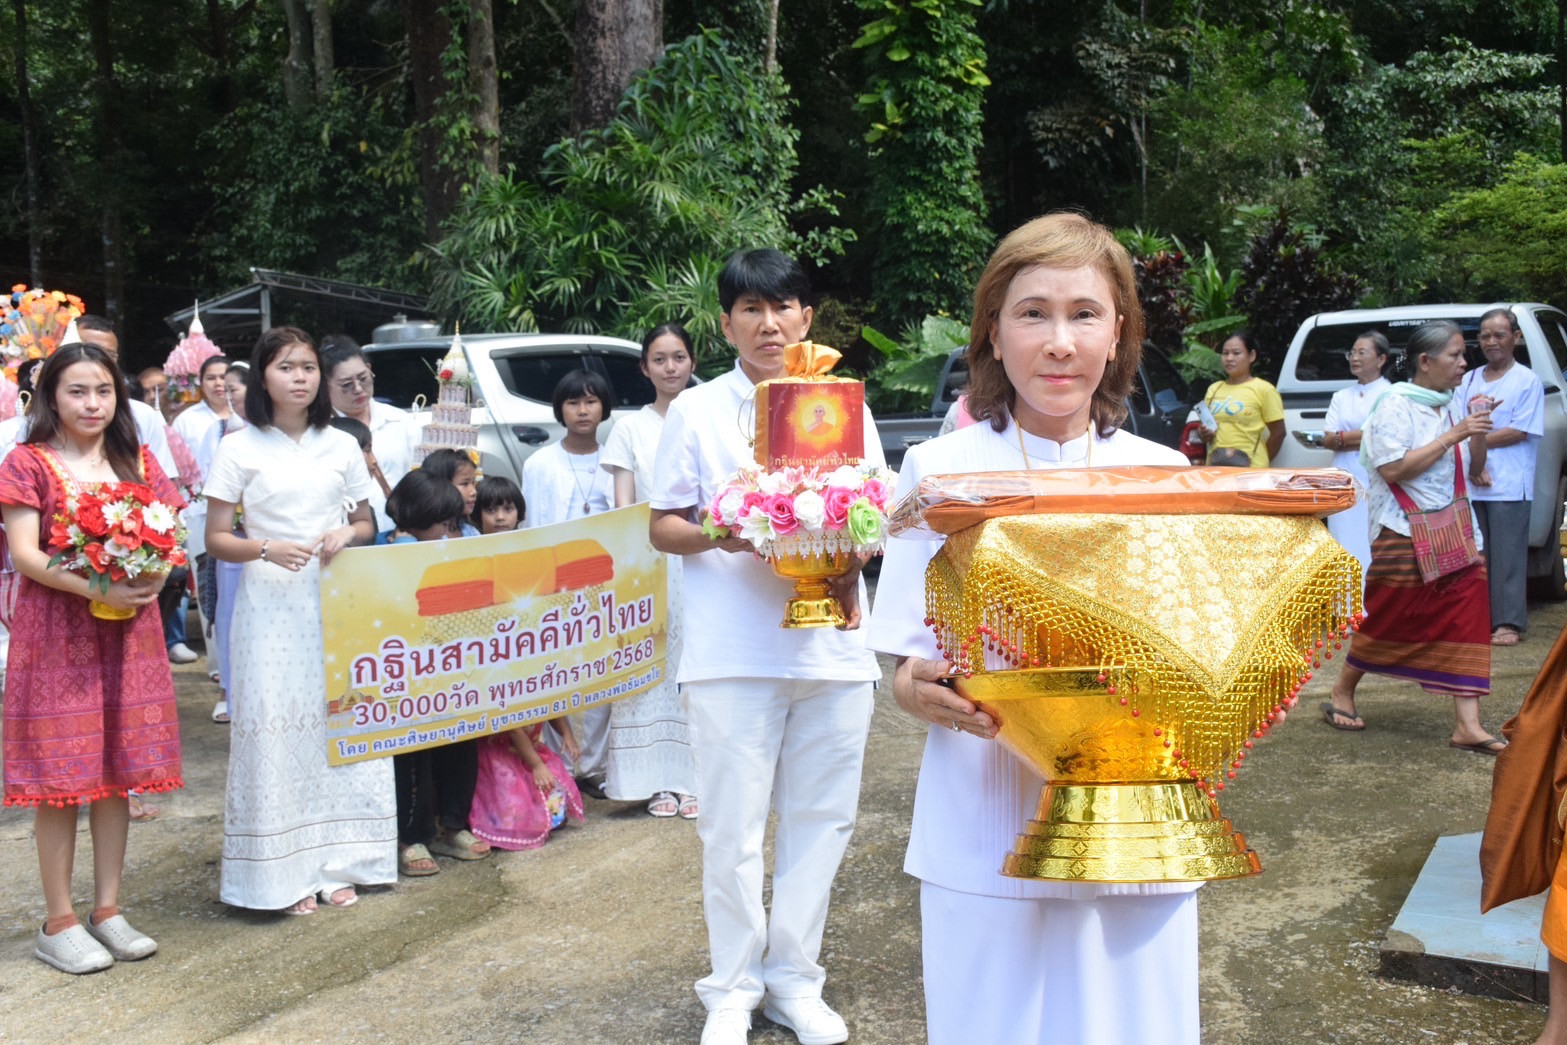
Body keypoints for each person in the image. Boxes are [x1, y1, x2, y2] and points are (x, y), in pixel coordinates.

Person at [864, 213, 1198, 1045]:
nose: (1059, 342)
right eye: (1032, 313)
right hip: (983, 806)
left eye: (1084, 313)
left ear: (1119, 331)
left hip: (1133, 810)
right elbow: (904, 660)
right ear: (992, 329)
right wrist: (921, 689)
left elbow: (1194, 655)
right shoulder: (938, 471)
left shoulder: (1169, 479)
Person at [649, 248, 882, 1045]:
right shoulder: (699, 410)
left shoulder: (842, 403)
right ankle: (732, 987)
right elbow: (664, 524)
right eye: (750, 308)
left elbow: (873, 512)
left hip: (834, 653)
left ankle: (794, 980)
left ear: (807, 317)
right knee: (733, 830)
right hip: (730, 653)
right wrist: (739, 525)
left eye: (783, 306)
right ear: (725, 323)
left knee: (822, 819)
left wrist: (840, 545)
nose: (768, 322)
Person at [0, 343, 184, 973]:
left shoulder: (135, 459)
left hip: (130, 634)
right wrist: (97, 586)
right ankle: (59, 922)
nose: (92, 404)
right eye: (77, 391)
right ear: (51, 394)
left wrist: (154, 574)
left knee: (117, 769)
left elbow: (170, 533)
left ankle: (108, 909)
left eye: (103, 391)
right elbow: (26, 554)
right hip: (55, 637)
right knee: (61, 778)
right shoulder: (27, 462)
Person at [204, 326, 395, 915]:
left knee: (340, 719)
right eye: (287, 367)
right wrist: (263, 548)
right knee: (278, 726)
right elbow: (215, 539)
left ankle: (344, 860)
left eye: (309, 367)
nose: (301, 377)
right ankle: (280, 873)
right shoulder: (239, 446)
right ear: (263, 375)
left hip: (337, 597)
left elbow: (368, 522)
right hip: (270, 606)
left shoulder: (340, 443)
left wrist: (347, 530)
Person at [1321, 320, 1504, 752]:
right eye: (1455, 355)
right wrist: (1455, 433)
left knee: (1469, 614)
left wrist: (1477, 428)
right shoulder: (1394, 404)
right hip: (1402, 527)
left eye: (1464, 354)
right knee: (1390, 614)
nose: (1464, 363)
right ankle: (1342, 689)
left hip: (1457, 527)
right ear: (1425, 362)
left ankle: (1468, 724)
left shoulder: (1452, 402)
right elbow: (1393, 469)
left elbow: (1473, 462)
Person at [601, 324, 698, 819]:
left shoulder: (703, 417)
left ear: (693, 362)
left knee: (694, 666)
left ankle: (695, 778)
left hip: (701, 560)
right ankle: (655, 780)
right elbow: (624, 506)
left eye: (678, 357)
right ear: (644, 368)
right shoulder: (628, 428)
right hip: (646, 565)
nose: (670, 368)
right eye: (659, 359)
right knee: (649, 666)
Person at [379, 469, 493, 873]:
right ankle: (412, 836)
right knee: (415, 758)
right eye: (443, 526)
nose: (449, 535)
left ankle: (453, 825)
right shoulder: (383, 554)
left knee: (462, 744)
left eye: (453, 526)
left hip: (455, 673)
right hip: (409, 680)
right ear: (416, 519)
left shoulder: (451, 551)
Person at [524, 370, 615, 797]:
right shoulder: (540, 463)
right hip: (553, 582)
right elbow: (532, 526)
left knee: (599, 674)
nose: (583, 410)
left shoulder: (615, 459)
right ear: (560, 409)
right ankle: (559, 763)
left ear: (604, 407)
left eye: (592, 401)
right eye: (574, 402)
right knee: (555, 674)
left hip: (602, 583)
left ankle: (594, 767)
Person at [1457, 308, 1545, 646]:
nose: (1491, 342)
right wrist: (1472, 461)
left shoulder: (1526, 380)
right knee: (1474, 556)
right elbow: (1456, 424)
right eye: (1484, 335)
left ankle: (1508, 623)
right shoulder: (1467, 379)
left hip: (1508, 483)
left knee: (1506, 556)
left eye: (1499, 335)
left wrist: (1474, 438)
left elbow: (1519, 431)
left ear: (1516, 338)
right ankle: (1477, 621)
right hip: (1471, 480)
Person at [321, 336, 420, 525]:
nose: (358, 389)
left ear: (370, 369)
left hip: (402, 531)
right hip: (350, 536)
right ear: (325, 385)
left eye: (363, 378)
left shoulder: (401, 421)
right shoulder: (322, 431)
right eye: (346, 385)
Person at [1323, 331, 1394, 573]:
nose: (1354, 358)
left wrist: (1343, 438)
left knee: (1370, 538)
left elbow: (1380, 435)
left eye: (1362, 352)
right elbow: (1327, 438)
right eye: (1352, 353)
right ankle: (1345, 607)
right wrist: (1357, 437)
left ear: (1381, 359)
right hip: (1343, 477)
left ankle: (1371, 607)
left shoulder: (1391, 394)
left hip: (1374, 476)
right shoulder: (1341, 396)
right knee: (1342, 540)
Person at [203, 362, 250, 724]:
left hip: (273, 539)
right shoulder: (220, 432)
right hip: (232, 537)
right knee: (229, 613)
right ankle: (229, 691)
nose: (229, 394)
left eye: (235, 388)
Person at [469, 717, 584, 850]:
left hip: (531, 749)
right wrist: (537, 764)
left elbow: (553, 708)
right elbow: (513, 728)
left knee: (551, 784)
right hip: (501, 754)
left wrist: (567, 733)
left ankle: (544, 817)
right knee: (511, 798)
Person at [1200, 330, 1285, 466]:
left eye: (1236, 353)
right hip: (1217, 469)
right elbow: (1206, 429)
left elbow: (1279, 433)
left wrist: (1260, 461)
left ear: (1251, 356)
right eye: (1225, 353)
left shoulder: (1264, 389)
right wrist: (1204, 433)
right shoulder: (1214, 389)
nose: (1229, 358)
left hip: (1252, 471)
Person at [421, 448, 483, 538]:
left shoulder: (472, 533)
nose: (474, 492)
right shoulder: (424, 536)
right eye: (465, 484)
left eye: (473, 483)